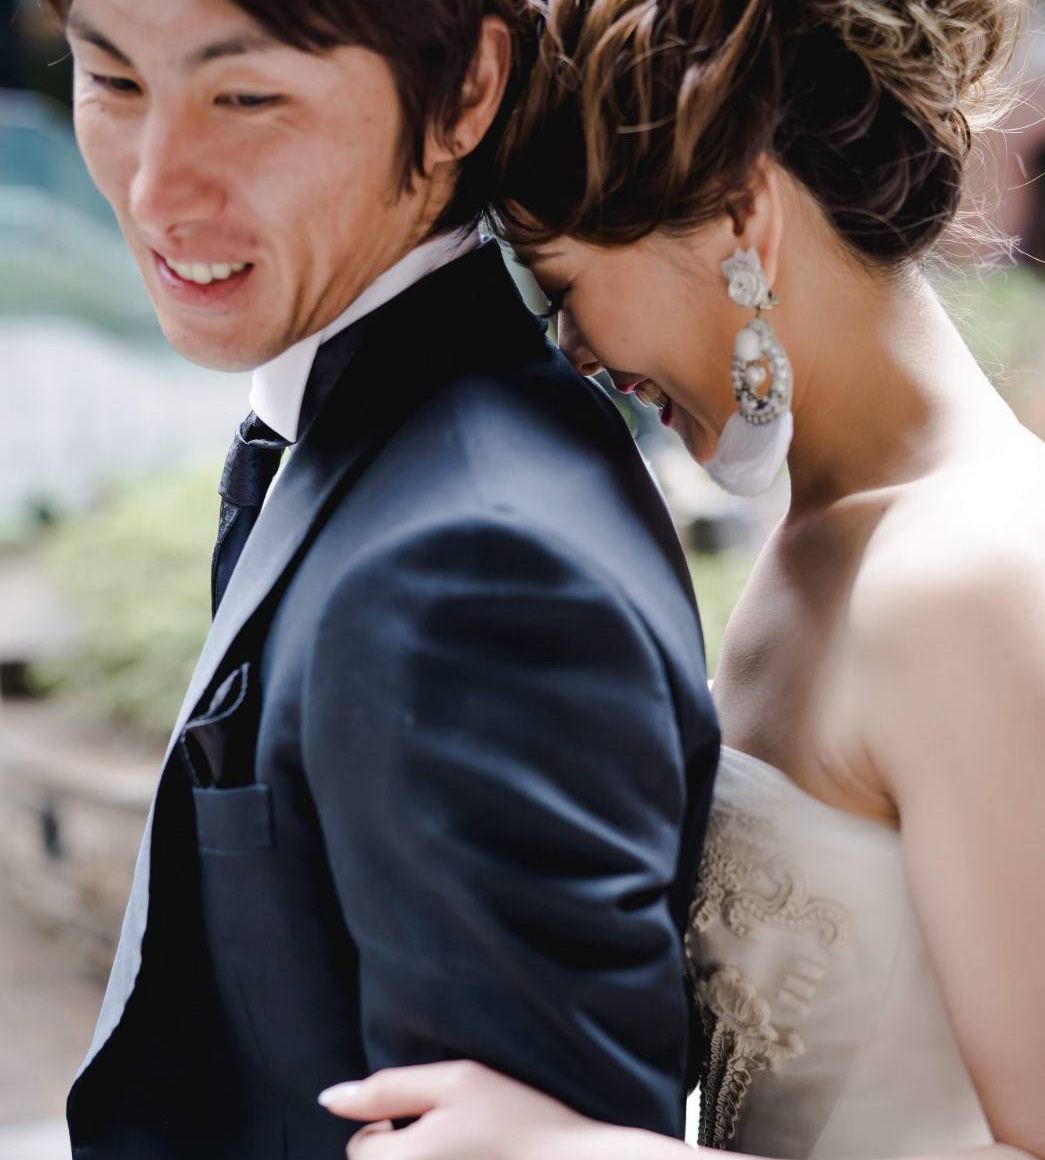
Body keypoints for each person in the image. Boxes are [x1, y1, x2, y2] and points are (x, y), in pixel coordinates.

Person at [319, 1, 1045, 1158]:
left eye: (563, 286)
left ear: (742, 216)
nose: (573, 355)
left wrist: (574, 1151)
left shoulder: (966, 579)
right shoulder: (819, 535)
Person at [55, 0, 722, 1157]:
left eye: (245, 98)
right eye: (113, 84)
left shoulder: (475, 573)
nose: (157, 190)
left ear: (466, 89)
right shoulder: (368, 432)